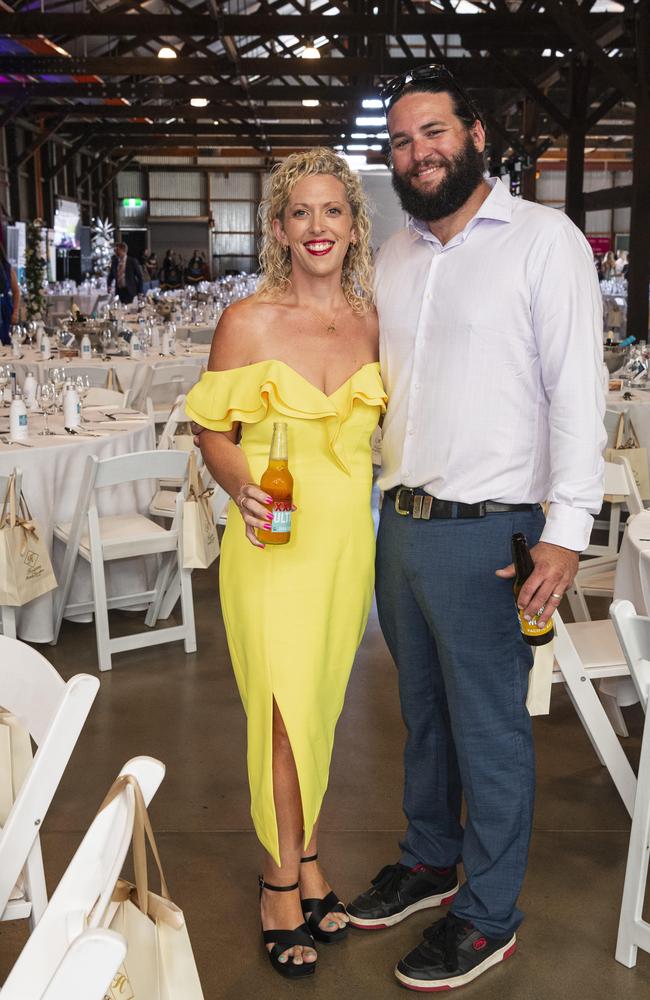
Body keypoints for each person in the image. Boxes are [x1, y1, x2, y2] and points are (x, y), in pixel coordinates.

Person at [346, 65, 606, 991]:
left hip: (492, 532)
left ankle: (487, 913)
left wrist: (566, 533)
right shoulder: (397, 257)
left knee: (489, 729)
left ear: (478, 135)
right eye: (402, 142)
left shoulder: (544, 242)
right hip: (402, 525)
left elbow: (580, 394)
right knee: (422, 716)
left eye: (434, 133)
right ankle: (428, 860)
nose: (418, 153)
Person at [185, 148, 385, 979]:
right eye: (300, 213)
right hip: (272, 544)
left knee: (320, 711)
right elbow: (209, 431)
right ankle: (278, 883)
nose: (317, 227)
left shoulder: (373, 321)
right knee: (277, 710)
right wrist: (242, 492)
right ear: (277, 228)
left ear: (353, 225)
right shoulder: (248, 320)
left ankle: (307, 860)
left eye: (332, 211)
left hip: (346, 546)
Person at [0, 243, 20, 346]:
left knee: (7, 340)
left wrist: (15, 311)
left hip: (5, 308)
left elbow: (16, 292)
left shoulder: (7, 269)